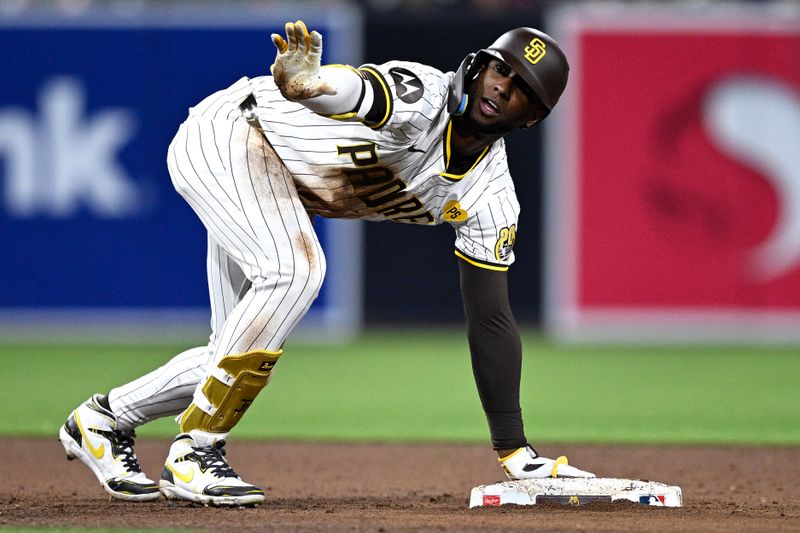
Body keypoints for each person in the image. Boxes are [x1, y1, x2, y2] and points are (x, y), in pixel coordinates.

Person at [58, 21, 594, 507]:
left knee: (235, 352)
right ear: (480, 67)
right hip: (234, 132)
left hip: (272, 179)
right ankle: (194, 451)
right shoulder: (424, 96)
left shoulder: (492, 197)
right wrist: (313, 85)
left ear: (535, 117)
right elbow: (361, 92)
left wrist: (514, 449)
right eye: (502, 69)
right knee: (296, 272)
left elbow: (491, 319)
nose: (504, 86)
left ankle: (103, 421)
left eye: (523, 87)